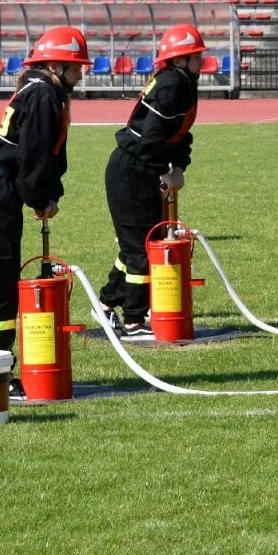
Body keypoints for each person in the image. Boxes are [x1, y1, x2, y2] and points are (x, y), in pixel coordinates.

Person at [0, 26, 92, 398]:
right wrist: (40, 198)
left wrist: (42, 193)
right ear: (53, 65)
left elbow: (39, 157)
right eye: (74, 66)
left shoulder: (39, 89)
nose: (81, 74)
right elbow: (34, 158)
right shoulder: (45, 94)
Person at [97, 23, 205, 337]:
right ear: (180, 60)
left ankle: (106, 304)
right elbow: (152, 139)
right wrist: (164, 170)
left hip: (140, 166)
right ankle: (133, 320)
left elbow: (179, 133)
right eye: (195, 55)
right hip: (133, 169)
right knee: (143, 249)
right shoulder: (173, 84)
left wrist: (179, 166)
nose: (201, 61)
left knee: (137, 246)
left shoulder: (181, 81)